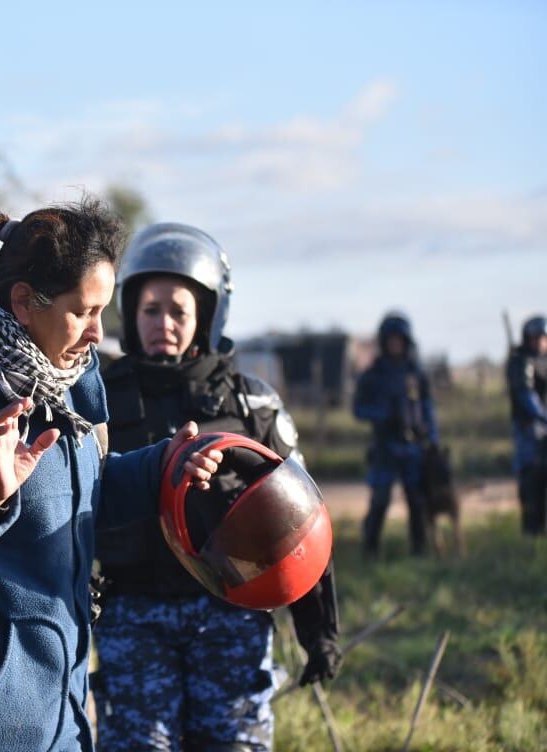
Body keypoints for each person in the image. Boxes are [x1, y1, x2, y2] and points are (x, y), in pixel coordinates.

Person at [0, 199, 221, 752]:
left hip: (59, 711)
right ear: (22, 302)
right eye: (83, 311)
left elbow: (80, 496)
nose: (97, 332)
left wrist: (163, 468)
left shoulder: (65, 385)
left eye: (103, 311)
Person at [93, 223, 341, 751]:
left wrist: (318, 631)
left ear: (206, 315)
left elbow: (302, 521)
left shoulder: (252, 405)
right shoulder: (98, 402)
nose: (164, 323)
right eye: (151, 309)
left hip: (230, 619)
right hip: (133, 618)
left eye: (179, 311)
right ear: (131, 313)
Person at [352, 312, 439, 556]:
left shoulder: (416, 374)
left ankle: (419, 551)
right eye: (391, 340)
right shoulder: (372, 376)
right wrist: (382, 414)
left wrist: (432, 437)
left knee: (417, 500)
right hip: (385, 447)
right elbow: (358, 409)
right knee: (380, 500)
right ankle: (369, 550)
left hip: (413, 448)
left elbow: (427, 407)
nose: (395, 344)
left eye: (399, 339)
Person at [506, 315, 547, 536]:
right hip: (528, 431)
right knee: (531, 482)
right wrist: (543, 416)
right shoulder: (520, 362)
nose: (539, 343)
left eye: (542, 338)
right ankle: (532, 534)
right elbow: (525, 395)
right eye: (534, 338)